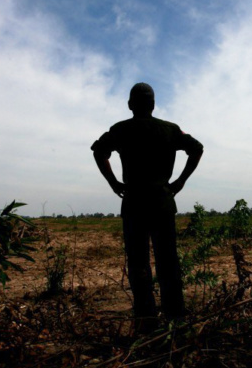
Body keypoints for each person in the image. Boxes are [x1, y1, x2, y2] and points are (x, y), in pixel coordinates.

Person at [92, 82, 203, 326]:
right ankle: (176, 318)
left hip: (134, 203)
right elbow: (197, 149)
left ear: (130, 105)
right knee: (168, 262)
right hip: (163, 202)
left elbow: (99, 151)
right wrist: (180, 181)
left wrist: (113, 182)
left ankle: (146, 320)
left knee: (138, 263)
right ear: (153, 105)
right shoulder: (170, 130)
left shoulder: (120, 130)